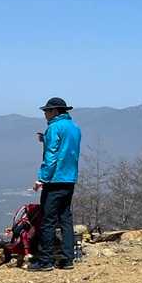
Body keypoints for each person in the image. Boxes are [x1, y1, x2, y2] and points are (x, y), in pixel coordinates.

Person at [30, 97, 81, 272]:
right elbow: (67, 150)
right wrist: (45, 139)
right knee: (65, 218)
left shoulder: (54, 127)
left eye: (47, 111)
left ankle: (46, 261)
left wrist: (42, 178)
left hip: (55, 180)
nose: (45, 114)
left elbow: (51, 156)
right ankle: (68, 259)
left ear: (55, 111)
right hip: (70, 178)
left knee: (48, 221)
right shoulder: (74, 127)